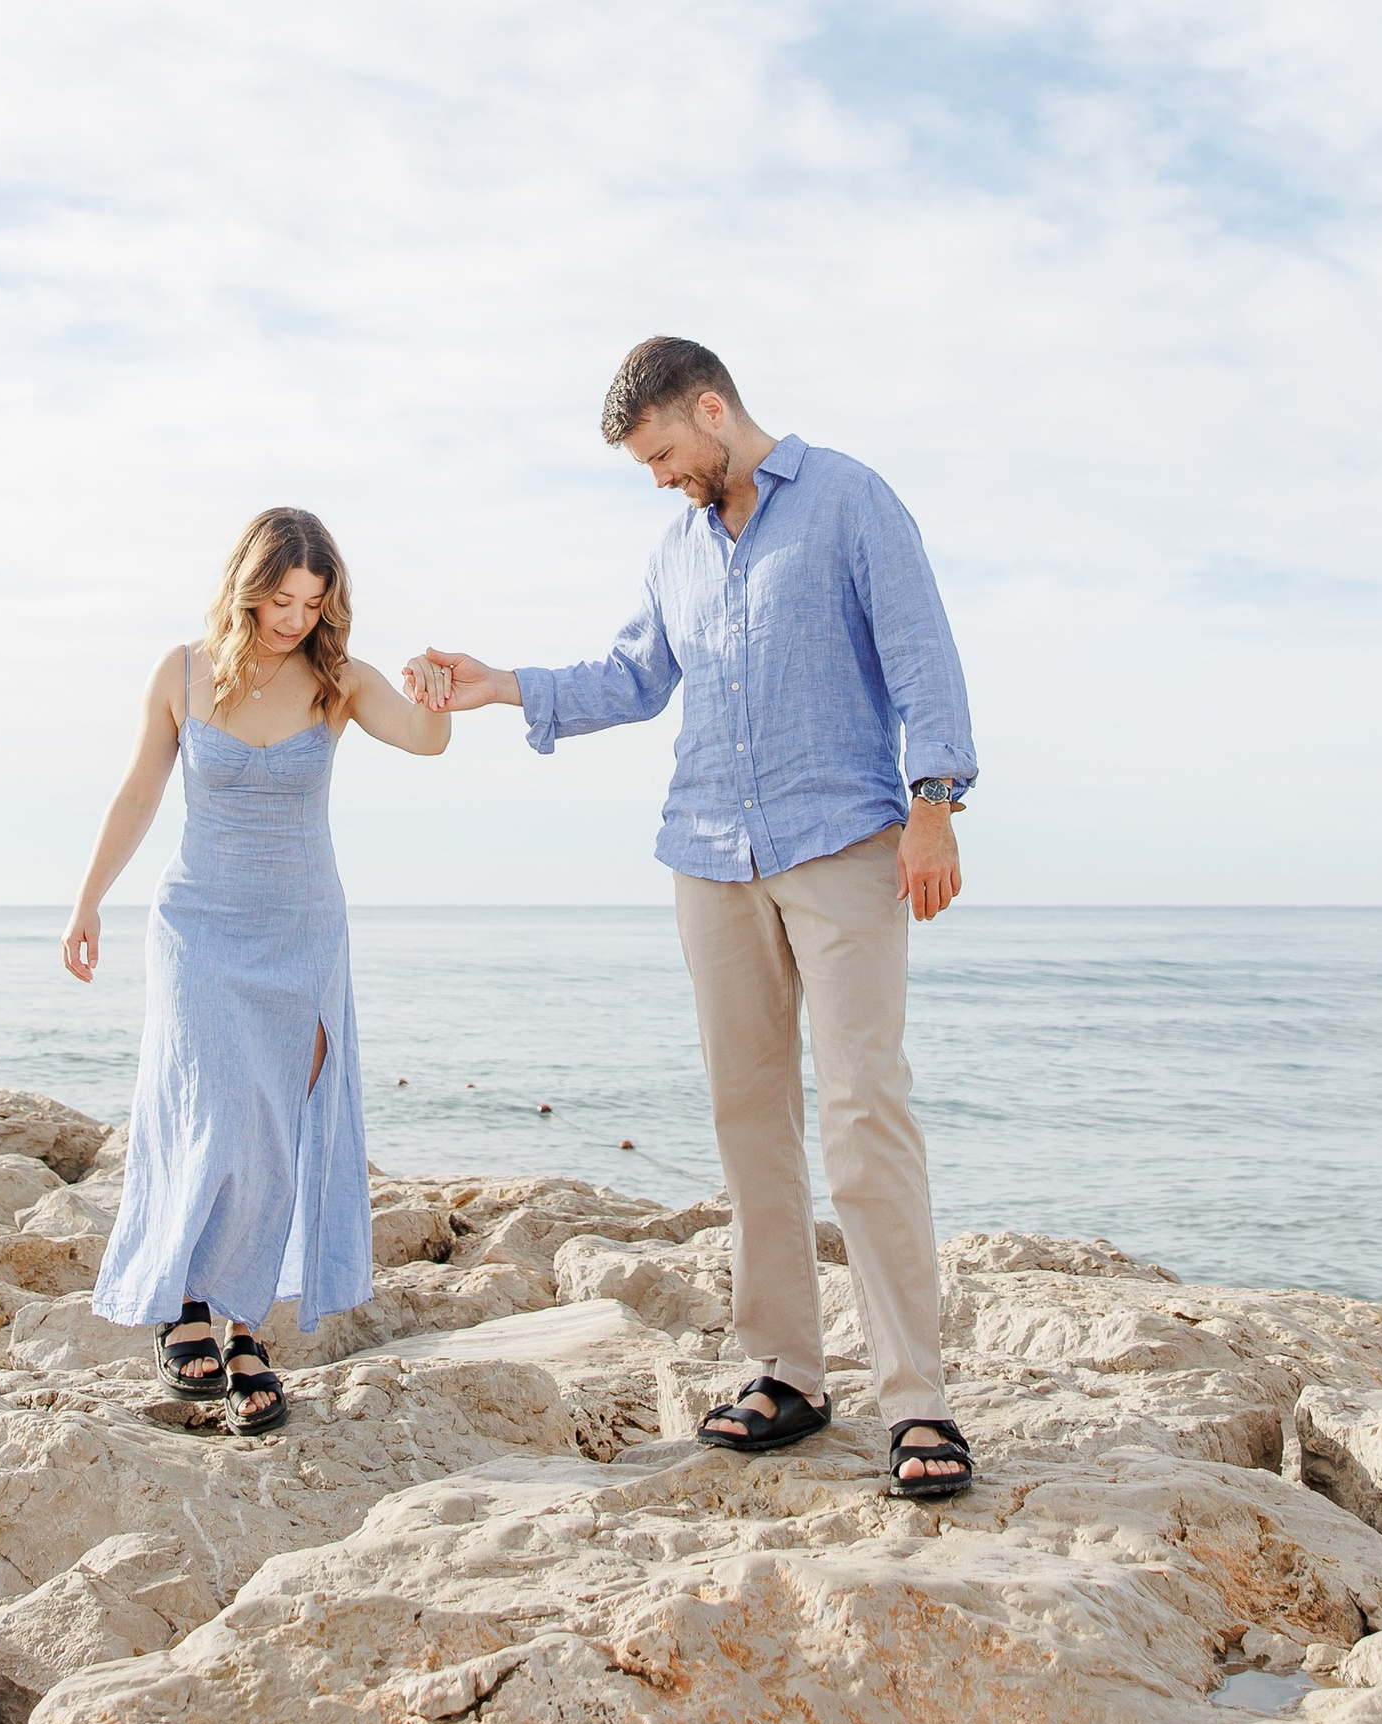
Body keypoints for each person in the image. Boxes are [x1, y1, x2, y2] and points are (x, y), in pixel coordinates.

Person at [409, 337, 977, 1500]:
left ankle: (915, 1399)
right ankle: (786, 1371)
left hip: (845, 843)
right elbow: (631, 676)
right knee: (746, 1116)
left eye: (666, 452)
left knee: (866, 1106)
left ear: (712, 410)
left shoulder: (849, 500)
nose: (661, 476)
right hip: (709, 856)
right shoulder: (673, 546)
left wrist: (936, 803)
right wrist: (501, 684)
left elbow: (922, 654)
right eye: (647, 464)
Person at [63, 505, 450, 1432]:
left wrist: (437, 696)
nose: (295, 619)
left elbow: (424, 742)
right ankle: (185, 1305)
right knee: (216, 1110)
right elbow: (139, 791)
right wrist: (87, 903)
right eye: (282, 599)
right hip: (199, 924)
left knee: (278, 1126)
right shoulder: (182, 671)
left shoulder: (338, 679)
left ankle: (244, 1329)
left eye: (314, 604)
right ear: (248, 587)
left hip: (304, 932)